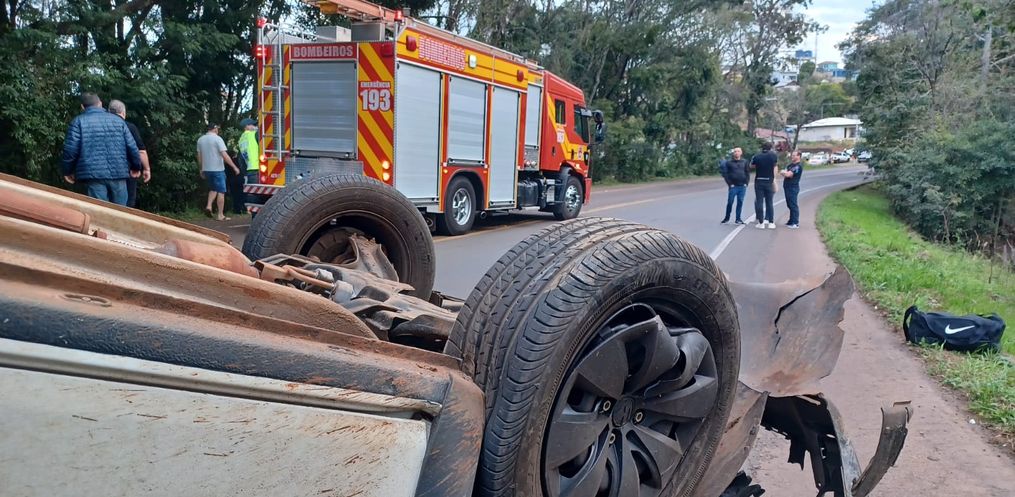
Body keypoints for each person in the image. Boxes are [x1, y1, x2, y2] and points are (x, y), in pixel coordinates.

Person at [61, 93, 142, 205]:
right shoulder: (118, 121)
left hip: (93, 175)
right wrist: (136, 167)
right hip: (119, 173)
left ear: (82, 107)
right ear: (100, 104)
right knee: (120, 212)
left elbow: (71, 150)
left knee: (99, 211)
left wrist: (68, 171)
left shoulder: (78, 122)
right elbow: (132, 146)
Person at [108, 100, 151, 208]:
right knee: (127, 203)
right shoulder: (129, 127)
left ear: (109, 112)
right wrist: (146, 169)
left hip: (101, 172)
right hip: (127, 171)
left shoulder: (100, 126)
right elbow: (141, 151)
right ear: (123, 113)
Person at [197, 123, 241, 221]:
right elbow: (224, 155)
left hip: (207, 169)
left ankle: (209, 206)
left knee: (213, 188)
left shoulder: (200, 140)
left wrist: (201, 169)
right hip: (217, 169)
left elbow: (199, 156)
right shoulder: (218, 139)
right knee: (221, 191)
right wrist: (234, 167)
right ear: (214, 129)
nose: (218, 130)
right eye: (217, 128)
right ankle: (220, 215)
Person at [750, 142, 779, 230]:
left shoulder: (757, 156)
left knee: (759, 201)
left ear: (762, 148)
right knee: (769, 202)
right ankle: (771, 222)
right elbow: (775, 166)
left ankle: (761, 222)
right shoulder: (773, 156)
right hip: (769, 180)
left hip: (759, 180)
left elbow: (751, 166)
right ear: (770, 148)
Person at [720, 147, 749, 225]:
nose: (736, 153)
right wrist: (730, 184)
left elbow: (747, 172)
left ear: (741, 153)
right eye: (735, 151)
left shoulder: (744, 162)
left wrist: (746, 183)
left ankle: (738, 219)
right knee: (730, 202)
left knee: (740, 202)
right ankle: (727, 218)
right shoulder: (729, 163)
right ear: (733, 153)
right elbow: (726, 174)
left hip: (742, 186)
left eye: (738, 151)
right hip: (733, 186)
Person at [780, 150, 804, 229]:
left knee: (793, 204)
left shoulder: (798, 166)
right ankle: (791, 220)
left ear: (798, 156)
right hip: (787, 186)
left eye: (794, 155)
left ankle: (795, 222)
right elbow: (784, 172)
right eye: (792, 155)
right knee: (789, 204)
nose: (792, 157)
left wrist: (784, 173)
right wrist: (784, 173)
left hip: (793, 187)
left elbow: (788, 174)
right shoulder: (790, 165)